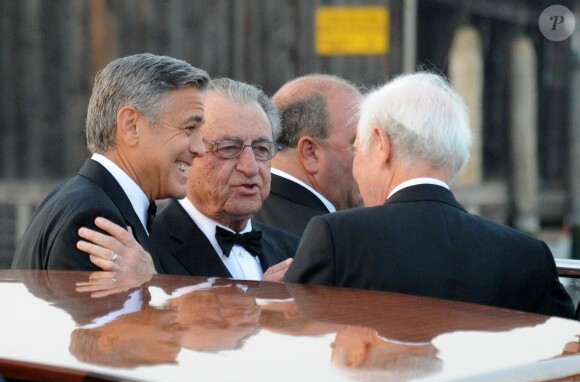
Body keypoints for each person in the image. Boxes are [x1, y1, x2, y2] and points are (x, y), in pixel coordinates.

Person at [284, 72, 575, 319]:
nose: (357, 170)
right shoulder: (527, 255)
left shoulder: (337, 238)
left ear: (382, 146)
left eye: (358, 150)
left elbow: (298, 345)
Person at [12, 53, 209, 273]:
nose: (199, 148)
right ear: (131, 126)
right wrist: (151, 285)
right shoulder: (95, 220)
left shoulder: (76, 198)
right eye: (189, 128)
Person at [150, 78, 299, 280]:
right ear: (188, 152)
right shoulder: (148, 250)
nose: (251, 167)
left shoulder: (295, 252)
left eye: (261, 149)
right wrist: (261, 306)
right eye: (228, 148)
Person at [253, 74, 363, 236]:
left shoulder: (240, 213)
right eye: (357, 145)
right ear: (310, 153)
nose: (370, 157)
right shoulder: (327, 237)